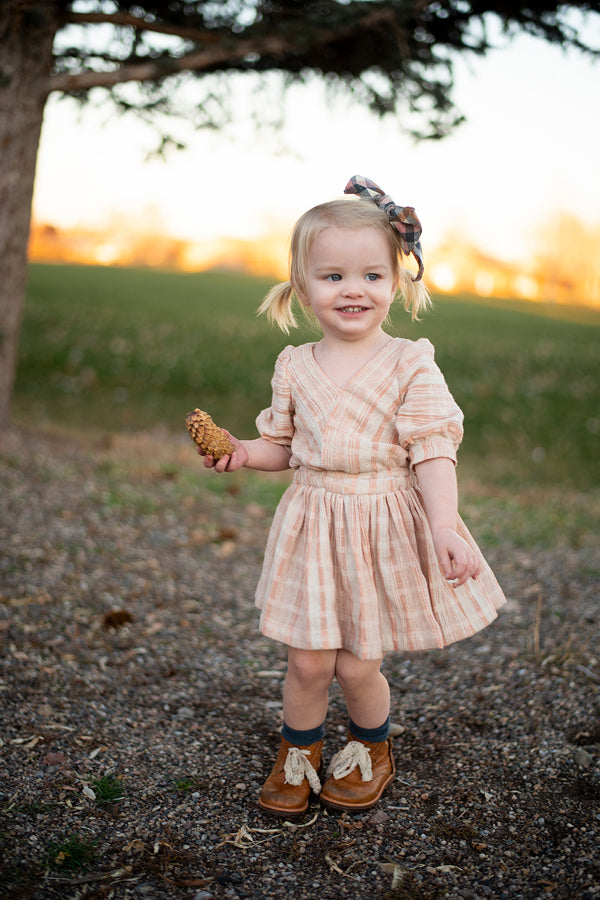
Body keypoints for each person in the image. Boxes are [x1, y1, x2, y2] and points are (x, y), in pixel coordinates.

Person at [199, 175, 506, 817]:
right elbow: (284, 448)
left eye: (371, 275)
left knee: (357, 667)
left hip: (380, 524)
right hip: (314, 522)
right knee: (308, 665)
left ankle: (370, 746)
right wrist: (242, 451)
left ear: (396, 282)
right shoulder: (294, 366)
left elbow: (433, 449)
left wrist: (445, 526)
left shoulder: (410, 363)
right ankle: (298, 751)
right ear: (303, 288)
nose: (353, 290)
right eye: (333, 276)